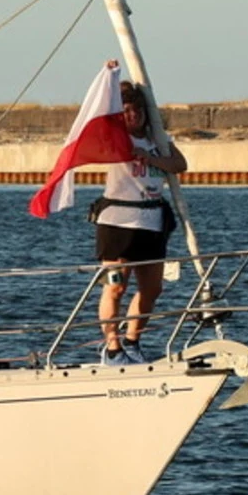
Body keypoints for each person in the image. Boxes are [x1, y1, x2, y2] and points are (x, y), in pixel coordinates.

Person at [95, 78, 189, 366]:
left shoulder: (157, 139)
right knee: (115, 286)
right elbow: (102, 113)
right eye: (127, 112)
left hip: (151, 222)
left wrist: (150, 157)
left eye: (137, 111)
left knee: (152, 288)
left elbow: (179, 165)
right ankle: (112, 347)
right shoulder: (116, 137)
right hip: (118, 224)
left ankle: (133, 341)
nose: (133, 117)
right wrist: (111, 77)